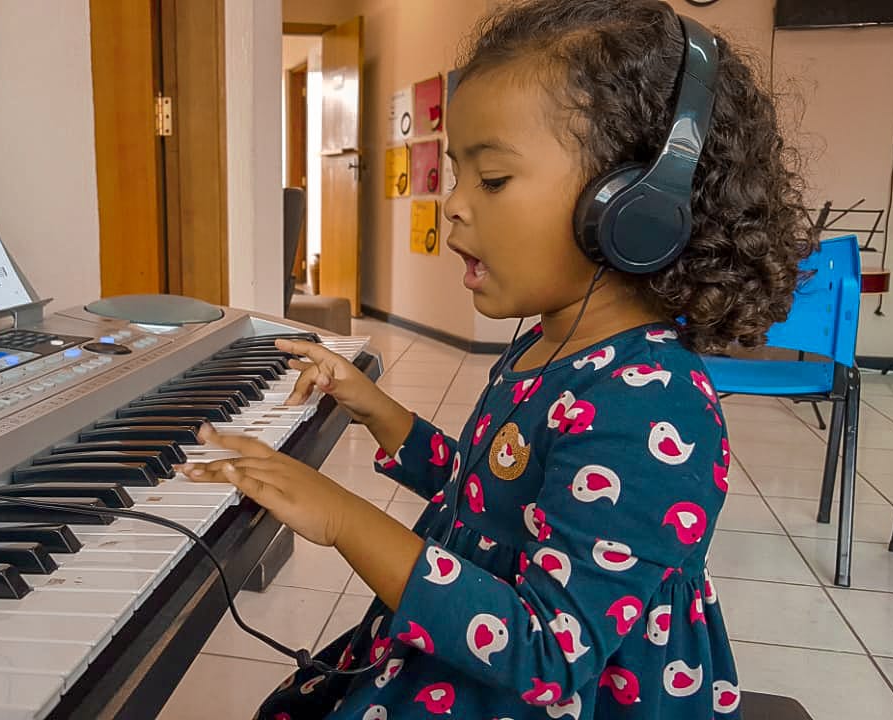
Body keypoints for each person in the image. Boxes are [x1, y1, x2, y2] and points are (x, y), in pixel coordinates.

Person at [180, 0, 812, 717]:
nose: (452, 205)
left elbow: (548, 655)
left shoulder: (652, 404)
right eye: (456, 174)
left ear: (635, 207)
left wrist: (345, 519)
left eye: (493, 179)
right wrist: (378, 411)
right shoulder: (550, 346)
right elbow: (488, 500)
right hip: (469, 648)